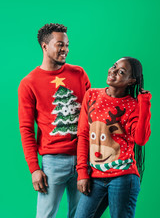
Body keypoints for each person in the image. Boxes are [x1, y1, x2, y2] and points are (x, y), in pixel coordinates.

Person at [18, 23, 91, 218]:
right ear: (44, 46)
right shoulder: (29, 83)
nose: (65, 49)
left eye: (67, 45)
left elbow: (92, 114)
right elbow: (26, 129)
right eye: (60, 45)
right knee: (45, 215)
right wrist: (34, 168)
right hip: (53, 162)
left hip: (85, 159)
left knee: (82, 215)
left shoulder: (79, 73)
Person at [75, 57, 151, 218]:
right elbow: (83, 135)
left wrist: (144, 104)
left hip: (123, 177)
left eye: (121, 72)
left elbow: (140, 139)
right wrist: (82, 173)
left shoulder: (132, 105)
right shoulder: (91, 95)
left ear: (131, 81)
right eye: (114, 66)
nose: (113, 71)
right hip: (95, 176)